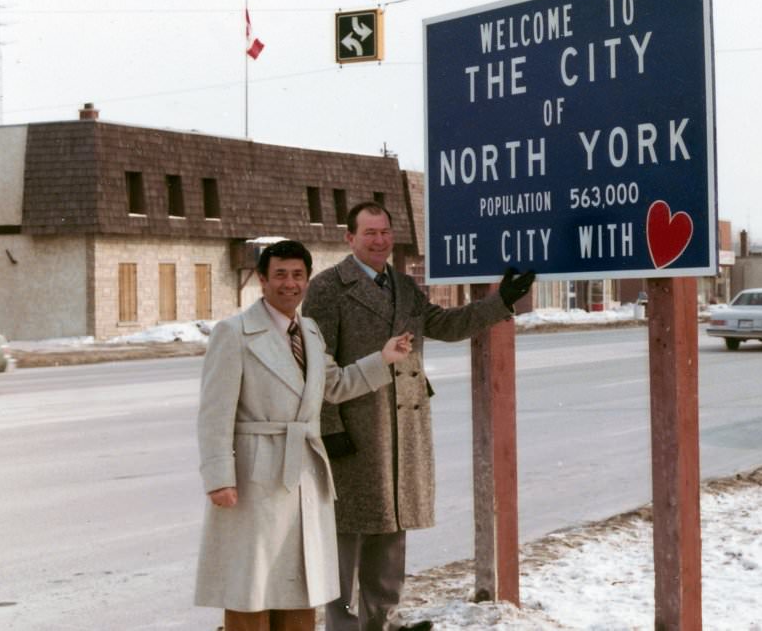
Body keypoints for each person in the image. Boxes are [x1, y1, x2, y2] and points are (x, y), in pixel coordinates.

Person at [301, 202, 535, 631]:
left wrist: (500, 302)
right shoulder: (328, 288)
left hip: (402, 430)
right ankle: (344, 626)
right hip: (355, 430)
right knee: (347, 541)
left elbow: (444, 325)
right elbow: (319, 365)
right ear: (349, 238)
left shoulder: (404, 287)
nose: (379, 240)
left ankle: (384, 621)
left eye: (385, 232)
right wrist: (331, 428)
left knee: (392, 529)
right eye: (369, 233)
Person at [195, 240, 413, 631]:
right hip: (255, 475)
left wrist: (383, 359)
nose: (289, 284)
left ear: (308, 281)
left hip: (305, 477)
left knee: (300, 584)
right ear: (262, 279)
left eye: (298, 275)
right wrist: (218, 478)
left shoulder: (309, 331)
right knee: (252, 586)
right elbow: (214, 414)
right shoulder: (234, 333)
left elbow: (335, 385)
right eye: (279, 274)